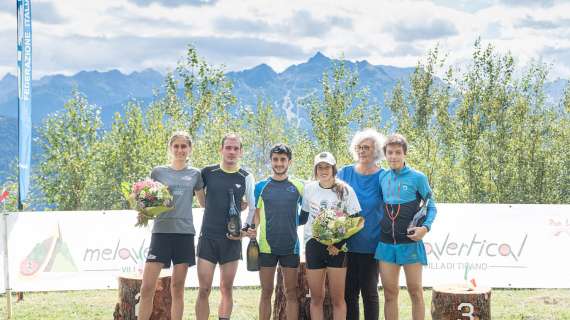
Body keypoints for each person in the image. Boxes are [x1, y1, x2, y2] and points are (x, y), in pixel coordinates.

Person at [138, 131, 206, 320]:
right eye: (176, 146)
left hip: (184, 234)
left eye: (184, 146)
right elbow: (146, 202)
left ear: (190, 149)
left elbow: (204, 203)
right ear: (170, 148)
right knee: (146, 287)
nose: (180, 150)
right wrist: (142, 208)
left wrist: (232, 200)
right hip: (161, 233)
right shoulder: (158, 172)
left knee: (177, 288)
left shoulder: (195, 174)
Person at [375, 134, 437, 320]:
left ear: (405, 154)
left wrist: (424, 228)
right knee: (389, 294)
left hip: (410, 243)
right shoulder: (382, 177)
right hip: (386, 245)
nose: (393, 156)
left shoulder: (418, 177)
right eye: (390, 152)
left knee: (416, 292)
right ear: (385, 154)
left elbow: (431, 206)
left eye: (398, 152)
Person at [195, 133, 256, 320]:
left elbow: (252, 207)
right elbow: (202, 200)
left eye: (235, 148)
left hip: (231, 240)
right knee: (204, 289)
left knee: (226, 288)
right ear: (221, 149)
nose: (231, 152)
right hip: (208, 238)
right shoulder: (207, 172)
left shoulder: (246, 176)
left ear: (241, 152)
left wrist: (244, 231)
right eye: (228, 148)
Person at [301, 152, 361, 320]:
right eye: (319, 167)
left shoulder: (345, 190)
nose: (323, 170)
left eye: (327, 167)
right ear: (315, 170)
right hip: (313, 246)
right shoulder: (309, 188)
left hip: (337, 248)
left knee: (337, 299)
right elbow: (303, 217)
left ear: (333, 168)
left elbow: (357, 220)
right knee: (316, 299)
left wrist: (339, 245)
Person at [250, 143, 304, 320]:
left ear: (290, 161)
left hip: (291, 247)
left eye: (283, 159)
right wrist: (251, 230)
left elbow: (309, 211)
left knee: (291, 293)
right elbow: (256, 215)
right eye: (275, 159)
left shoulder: (299, 185)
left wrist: (296, 222)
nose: (279, 163)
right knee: (266, 292)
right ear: (270, 161)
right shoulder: (260, 186)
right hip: (266, 247)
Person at [338, 129, 385, 320]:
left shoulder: (383, 176)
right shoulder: (344, 172)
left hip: (372, 243)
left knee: (370, 293)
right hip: (346, 243)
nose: (362, 151)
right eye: (359, 147)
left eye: (366, 147)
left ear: (376, 151)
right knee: (349, 293)